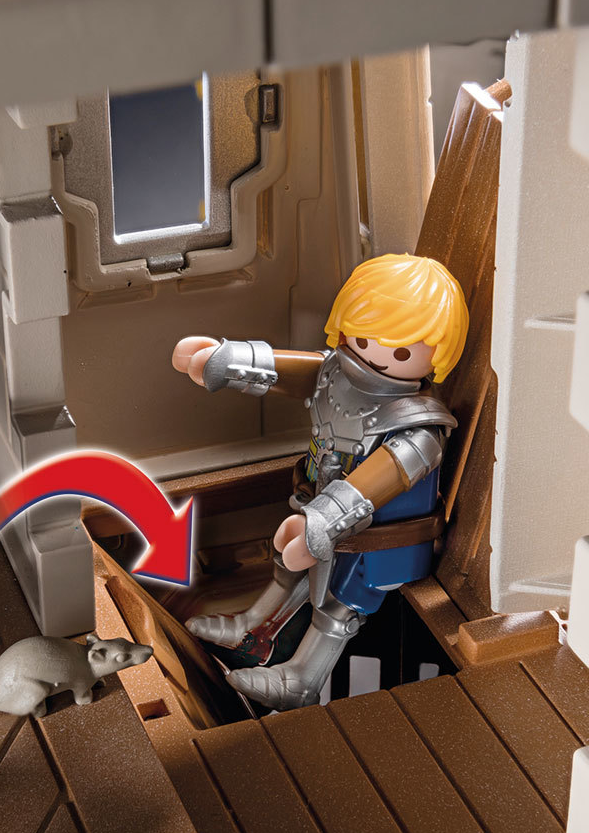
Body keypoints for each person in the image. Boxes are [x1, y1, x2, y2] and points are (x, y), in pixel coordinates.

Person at [172, 253, 469, 710]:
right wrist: (227, 359)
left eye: (401, 351)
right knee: (287, 565)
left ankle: (301, 680)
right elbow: (293, 370)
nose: (375, 354)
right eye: (364, 337)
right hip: (318, 510)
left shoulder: (420, 430)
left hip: (376, 538)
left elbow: (373, 482)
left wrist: (321, 524)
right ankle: (251, 625)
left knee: (338, 601)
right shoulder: (338, 372)